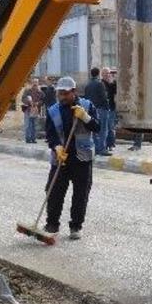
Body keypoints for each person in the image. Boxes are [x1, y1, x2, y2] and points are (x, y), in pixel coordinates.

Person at [44, 76, 100, 240]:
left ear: (74, 92)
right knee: (53, 191)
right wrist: (56, 147)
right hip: (61, 158)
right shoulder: (53, 110)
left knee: (81, 193)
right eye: (59, 94)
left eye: (65, 94)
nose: (62, 97)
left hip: (82, 158)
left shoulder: (87, 106)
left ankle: (76, 226)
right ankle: (52, 224)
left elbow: (97, 127)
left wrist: (86, 117)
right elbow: (50, 134)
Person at [84, 67, 112, 156]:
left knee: (95, 130)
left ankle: (96, 148)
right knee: (103, 129)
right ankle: (102, 149)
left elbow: (86, 98)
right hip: (101, 109)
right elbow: (104, 98)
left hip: (91, 110)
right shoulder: (100, 84)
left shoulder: (88, 85)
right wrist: (107, 107)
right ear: (98, 74)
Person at [21, 77, 44, 144]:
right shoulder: (27, 91)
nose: (35, 84)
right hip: (28, 110)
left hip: (36, 110)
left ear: (38, 83)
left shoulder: (40, 92)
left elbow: (43, 100)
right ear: (32, 83)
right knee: (28, 125)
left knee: (34, 125)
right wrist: (29, 102)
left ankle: (33, 139)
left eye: (36, 82)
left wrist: (38, 103)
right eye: (34, 82)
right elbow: (23, 99)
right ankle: (28, 139)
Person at [102, 67, 118, 151]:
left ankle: (111, 144)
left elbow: (116, 93)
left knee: (111, 127)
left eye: (108, 73)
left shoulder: (113, 83)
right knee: (105, 128)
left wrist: (112, 83)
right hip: (104, 108)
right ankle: (105, 145)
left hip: (111, 107)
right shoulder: (101, 83)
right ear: (102, 74)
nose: (108, 75)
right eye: (106, 73)